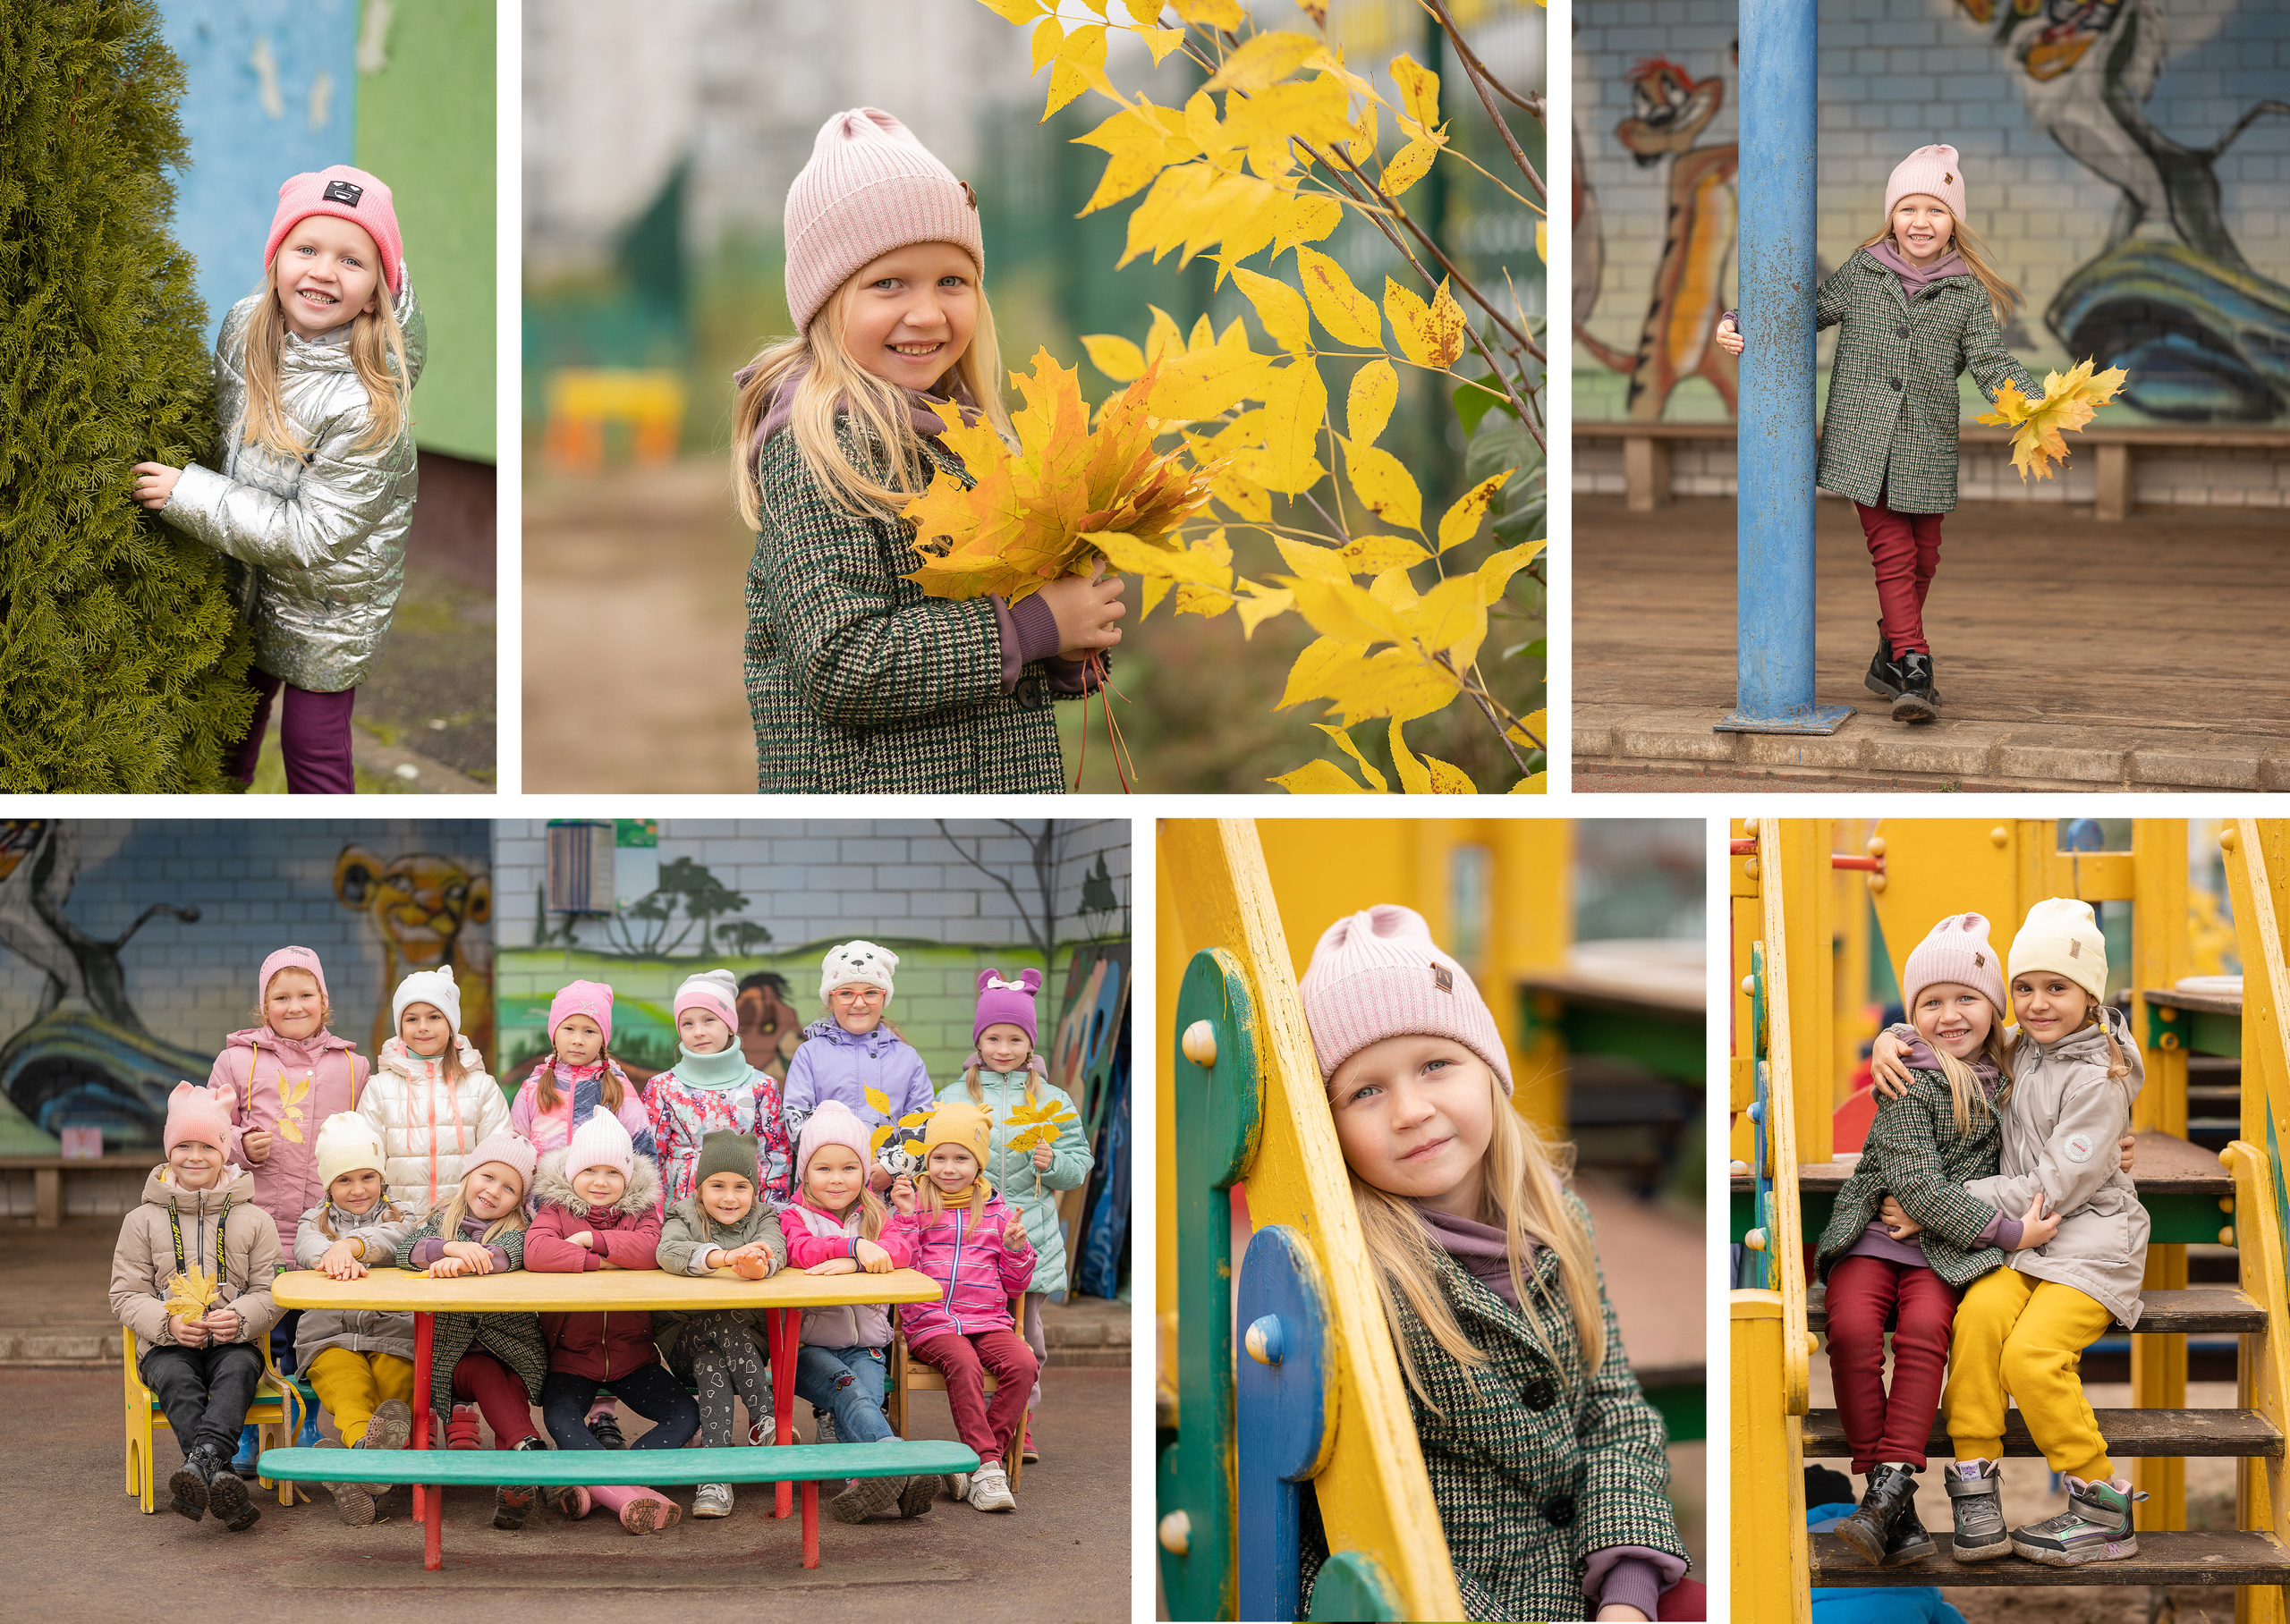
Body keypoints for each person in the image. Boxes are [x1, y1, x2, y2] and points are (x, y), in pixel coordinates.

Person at [1294, 905, 1700, 1621]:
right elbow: (1355, 1518)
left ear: (1487, 1071)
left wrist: (1627, 1592)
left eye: (1435, 1065)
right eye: (1365, 1090)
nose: (1410, 1111)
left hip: (1593, 1577)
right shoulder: (1356, 1275)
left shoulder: (1558, 1222)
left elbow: (1613, 1412)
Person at [731, 106, 1124, 792]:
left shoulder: (978, 441)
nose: (927, 312)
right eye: (889, 283)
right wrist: (1032, 628)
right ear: (826, 303)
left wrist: (1067, 641)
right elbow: (841, 663)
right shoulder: (818, 448)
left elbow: (1013, 631)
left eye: (953, 280)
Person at [1870, 899, 2152, 1567]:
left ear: (2090, 995)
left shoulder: (2099, 1076)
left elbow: (2059, 1181)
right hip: (2026, 1240)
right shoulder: (2021, 1052)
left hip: (2091, 1243)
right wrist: (1893, 1037)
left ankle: (2101, 1505)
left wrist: (1940, 1205)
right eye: (2024, 988)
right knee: (1977, 1322)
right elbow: (1947, 1030)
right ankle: (1977, 1490)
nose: (2038, 1003)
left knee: (2029, 1357)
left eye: (2057, 988)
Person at [1714, 145, 2040, 723]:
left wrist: (2036, 403)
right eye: (1909, 208)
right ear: (1892, 214)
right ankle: (1915, 663)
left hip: (1928, 444)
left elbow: (1992, 365)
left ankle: (1890, 652)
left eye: (1936, 211)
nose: (1921, 222)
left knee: (1926, 556)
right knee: (1892, 553)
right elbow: (1803, 310)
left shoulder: (1966, 294)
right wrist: (1740, 319)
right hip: (1865, 445)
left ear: (1954, 223)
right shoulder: (1864, 273)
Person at [131, 165, 424, 791]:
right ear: (276, 260)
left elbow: (313, 537)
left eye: (351, 260)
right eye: (307, 249)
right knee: (230, 729)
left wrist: (189, 493)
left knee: (311, 748)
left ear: (376, 290)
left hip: (329, 604)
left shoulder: (368, 405)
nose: (322, 271)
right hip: (245, 578)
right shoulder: (244, 327)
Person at [1811, 915, 2052, 1566]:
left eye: (1967, 998)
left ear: (1996, 1009)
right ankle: (1889, 1495)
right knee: (1855, 1331)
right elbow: (1915, 1188)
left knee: (1924, 1333)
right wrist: (2007, 1231)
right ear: (1912, 1014)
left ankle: (1888, 1499)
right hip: (1877, 1233)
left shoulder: (2016, 1076)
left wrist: (2110, 1136)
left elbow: (2075, 1078)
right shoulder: (1909, 1075)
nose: (1950, 1015)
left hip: (1944, 1250)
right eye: (1930, 1003)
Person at [209, 944, 368, 1470]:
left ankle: (301, 1431)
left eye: (306, 995)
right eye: (281, 997)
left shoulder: (352, 1066)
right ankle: (251, 1434)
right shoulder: (236, 1060)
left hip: (325, 1232)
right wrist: (237, 1143)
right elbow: (204, 1126)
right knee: (258, 1337)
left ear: (325, 1002)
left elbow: (369, 1137)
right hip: (256, 1231)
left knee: (314, 1335)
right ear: (263, 1006)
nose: (294, 1005)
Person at [109, 1083, 280, 1530]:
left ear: (225, 1150)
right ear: (169, 1152)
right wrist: (166, 1323)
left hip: (231, 1341)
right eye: (183, 1145)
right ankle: (219, 1474)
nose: (195, 1156)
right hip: (167, 1344)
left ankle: (199, 1467)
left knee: (240, 1370)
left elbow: (270, 1291)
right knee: (177, 1379)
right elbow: (126, 1295)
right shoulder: (140, 1220)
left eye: (207, 1145)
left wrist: (240, 1318)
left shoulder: (256, 1219)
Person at [941, 967, 1092, 1463]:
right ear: (978, 1040)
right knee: (980, 1334)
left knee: (1029, 1339)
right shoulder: (955, 1097)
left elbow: (1081, 1164)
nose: (1003, 1049)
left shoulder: (1052, 1100)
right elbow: (931, 1153)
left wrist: (1058, 1163)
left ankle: (1020, 1420)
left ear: (1030, 1044)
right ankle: (985, 1419)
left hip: (1028, 1235)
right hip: (967, 1237)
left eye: (1014, 1038)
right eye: (993, 1038)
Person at [528, 1111, 696, 1535]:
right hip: (572, 1358)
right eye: (589, 1170)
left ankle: (595, 1485)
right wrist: (605, 1263)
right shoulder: (554, 1209)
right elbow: (538, 1253)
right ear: (571, 1173)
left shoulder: (642, 1213)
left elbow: (650, 1250)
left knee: (685, 1414)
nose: (600, 1181)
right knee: (559, 1419)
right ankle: (625, 1493)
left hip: (633, 1357)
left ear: (627, 1177)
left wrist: (591, 1241)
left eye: (611, 1172)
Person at [394, 1129, 553, 1531]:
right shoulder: (440, 1219)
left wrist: (468, 1261)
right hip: (453, 1362)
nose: (494, 1191)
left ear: (520, 1200)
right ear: (469, 1174)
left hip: (513, 1353)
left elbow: (507, 1257)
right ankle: (529, 1455)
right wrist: (448, 1248)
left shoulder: (523, 1230)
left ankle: (514, 1489)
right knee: (484, 1374)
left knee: (506, 1388)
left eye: (509, 1188)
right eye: (488, 1177)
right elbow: (405, 1250)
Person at [780, 1100, 931, 1522]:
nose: (836, 1179)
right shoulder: (793, 1217)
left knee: (863, 1398)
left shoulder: (876, 1216)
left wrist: (855, 1257)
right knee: (850, 1392)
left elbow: (902, 1250)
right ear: (804, 1172)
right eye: (823, 1168)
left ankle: (864, 1485)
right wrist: (852, 1247)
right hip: (808, 1347)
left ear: (865, 1172)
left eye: (848, 1168)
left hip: (866, 1344)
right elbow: (801, 1251)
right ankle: (899, 1463)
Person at [892, 1100, 1037, 1514]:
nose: (949, 1168)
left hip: (987, 1320)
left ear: (979, 1165)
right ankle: (988, 1467)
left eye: (961, 1158)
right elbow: (900, 1263)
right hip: (930, 1323)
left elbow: (1015, 1284)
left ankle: (975, 1463)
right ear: (927, 1159)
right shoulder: (916, 1205)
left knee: (1023, 1363)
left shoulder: (997, 1213)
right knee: (965, 1365)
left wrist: (1015, 1249)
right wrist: (903, 1219)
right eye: (939, 1157)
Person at [654, 1130, 788, 1519]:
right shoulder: (682, 1214)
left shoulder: (765, 1215)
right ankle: (765, 1418)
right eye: (717, 1186)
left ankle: (714, 1478)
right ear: (699, 1188)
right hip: (683, 1339)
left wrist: (761, 1263)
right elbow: (669, 1251)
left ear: (754, 1189)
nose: (729, 1198)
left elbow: (774, 1246)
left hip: (748, 1344)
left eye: (741, 1186)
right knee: (719, 1321)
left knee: (713, 1360)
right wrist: (724, 1258)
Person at [293, 1112, 418, 1526]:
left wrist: (352, 1245)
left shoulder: (406, 1216)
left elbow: (400, 1239)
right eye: (344, 1180)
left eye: (368, 1176)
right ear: (328, 1185)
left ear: (383, 1176)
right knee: (349, 1392)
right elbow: (307, 1247)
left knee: (395, 1393)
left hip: (394, 1331)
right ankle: (371, 1460)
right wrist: (330, 1251)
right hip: (329, 1337)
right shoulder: (313, 1223)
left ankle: (354, 1470)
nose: (358, 1189)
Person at [357, 967, 509, 1219]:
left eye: (434, 1017)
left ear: (451, 1025)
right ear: (400, 1027)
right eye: (412, 1019)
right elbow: (367, 1160)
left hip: (466, 1223)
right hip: (396, 1224)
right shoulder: (379, 1088)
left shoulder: (482, 1086)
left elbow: (499, 1158)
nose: (423, 1027)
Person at [645, 969, 792, 1208]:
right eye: (687, 1023)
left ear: (731, 1025)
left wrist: (770, 1217)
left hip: (743, 1213)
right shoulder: (661, 1087)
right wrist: (656, 1220)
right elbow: (650, 1159)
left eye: (708, 1019)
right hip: (681, 1214)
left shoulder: (762, 1087)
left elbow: (775, 1159)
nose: (699, 1031)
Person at [782, 942, 934, 1161]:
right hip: (828, 1183)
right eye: (846, 993)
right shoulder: (809, 1054)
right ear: (830, 1000)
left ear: (884, 998)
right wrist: (843, 1165)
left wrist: (890, 1168)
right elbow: (797, 1121)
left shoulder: (907, 1058)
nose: (860, 1003)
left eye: (871, 992)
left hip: (891, 1189)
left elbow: (921, 1122)